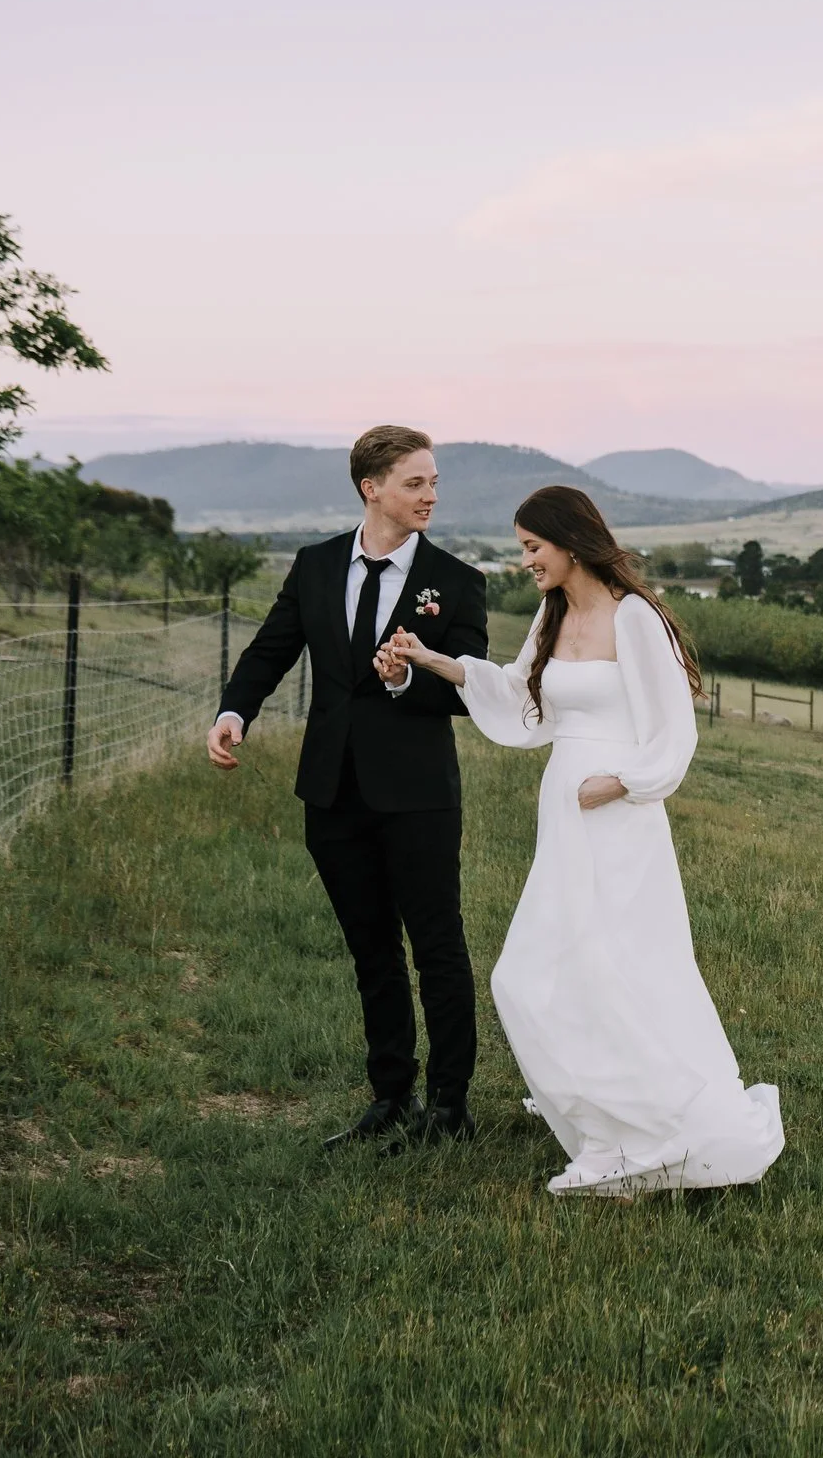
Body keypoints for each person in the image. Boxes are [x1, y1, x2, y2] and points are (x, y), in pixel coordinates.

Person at [380, 486, 785, 1197]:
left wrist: (624, 781)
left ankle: (631, 1137)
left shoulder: (636, 617)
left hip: (619, 817)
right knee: (534, 975)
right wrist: (432, 660)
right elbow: (519, 696)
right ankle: (600, 1121)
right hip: (566, 818)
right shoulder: (553, 612)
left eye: (533, 547)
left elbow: (675, 729)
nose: (526, 561)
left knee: (616, 970)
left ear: (570, 542)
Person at [207, 426, 490, 1153]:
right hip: (331, 790)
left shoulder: (457, 582)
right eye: (415, 483)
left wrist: (404, 682)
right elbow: (271, 649)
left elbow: (470, 690)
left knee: (438, 947)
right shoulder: (315, 565)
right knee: (371, 950)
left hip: (419, 795)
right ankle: (390, 1097)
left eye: (433, 482)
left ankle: (449, 1107)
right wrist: (234, 712)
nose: (430, 496)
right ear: (372, 488)